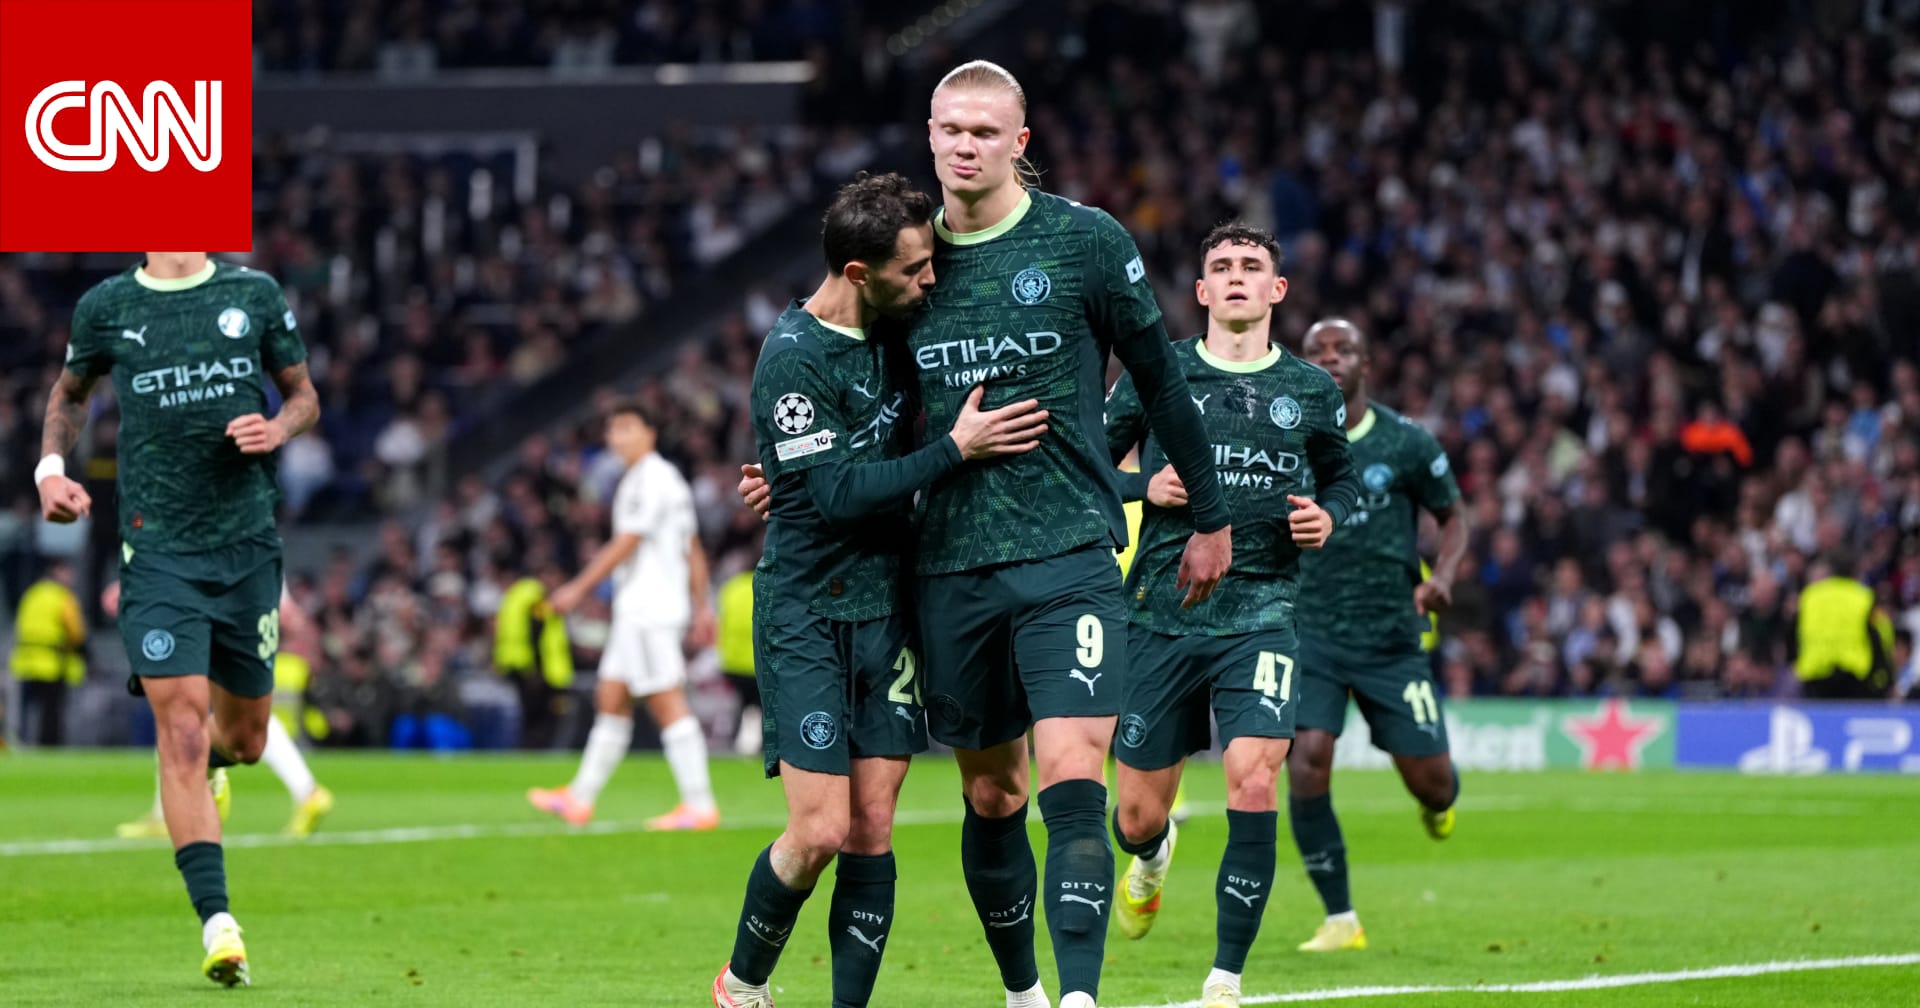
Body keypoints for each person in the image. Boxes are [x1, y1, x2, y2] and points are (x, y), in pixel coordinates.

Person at [739, 63, 1232, 1008]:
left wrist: (1210, 514)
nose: (966, 146)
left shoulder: (1085, 242)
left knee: (1074, 774)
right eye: (951, 130)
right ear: (930, 136)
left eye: (984, 131)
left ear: (1019, 141)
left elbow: (1162, 382)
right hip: (945, 568)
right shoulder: (903, 264)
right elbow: (842, 394)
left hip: (1069, 551)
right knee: (992, 795)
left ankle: (1078, 998)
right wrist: (791, 477)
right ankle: (1023, 991)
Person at [713, 172, 1049, 1008]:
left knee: (871, 827)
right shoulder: (794, 356)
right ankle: (742, 984)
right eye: (915, 268)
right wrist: (955, 450)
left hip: (889, 610)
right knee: (819, 830)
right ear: (860, 273)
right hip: (807, 611)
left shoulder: (899, 329)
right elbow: (834, 496)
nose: (931, 279)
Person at [37, 250, 321, 987]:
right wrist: (50, 470)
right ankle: (219, 925)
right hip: (157, 549)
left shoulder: (252, 293)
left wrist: (278, 429)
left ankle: (218, 769)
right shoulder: (107, 306)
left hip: (247, 547)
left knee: (246, 740)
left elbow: (304, 396)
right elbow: (70, 394)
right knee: (183, 731)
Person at [1105, 223, 1360, 1008]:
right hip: (1161, 615)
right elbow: (1083, 464)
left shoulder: (1312, 390)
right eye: (1222, 266)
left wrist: (1329, 515)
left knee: (1253, 778)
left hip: (1263, 612)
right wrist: (1142, 487)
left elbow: (1343, 478)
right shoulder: (1159, 372)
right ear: (1203, 291)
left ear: (1277, 289)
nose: (1238, 275)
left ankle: (1225, 980)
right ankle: (1152, 855)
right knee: (1136, 816)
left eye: (1252, 265)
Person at [1287, 317, 1470, 953]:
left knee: (1434, 784)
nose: (1331, 358)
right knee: (1307, 762)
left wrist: (1444, 575)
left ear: (1366, 364)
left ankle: (1437, 804)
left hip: (1392, 638)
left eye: (1344, 350)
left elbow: (1453, 514)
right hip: (1310, 633)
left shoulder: (1406, 442)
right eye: (1317, 351)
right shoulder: (1287, 436)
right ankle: (1341, 918)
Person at [528, 401, 720, 830]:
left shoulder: (651, 479)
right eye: (613, 429)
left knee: (666, 699)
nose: (618, 437)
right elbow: (691, 546)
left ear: (650, 433)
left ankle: (699, 804)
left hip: (650, 609)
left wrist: (577, 588)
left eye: (628, 427)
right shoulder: (655, 479)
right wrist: (702, 605)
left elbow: (627, 541)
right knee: (611, 697)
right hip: (638, 609)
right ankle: (579, 798)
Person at [113, 581, 336, 838]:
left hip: (211, 606)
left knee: (184, 705)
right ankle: (168, 810)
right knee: (192, 709)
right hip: (244, 604)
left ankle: (175, 809)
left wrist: (137, 583)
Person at [1793, 548, 1895, 700]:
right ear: (1854, 572)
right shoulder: (1864, 596)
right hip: (1854, 676)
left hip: (1815, 676)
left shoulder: (1809, 596)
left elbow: (1794, 633)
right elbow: (1882, 633)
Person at [9, 557, 85, 745]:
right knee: (51, 711)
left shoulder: (32, 593)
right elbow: (76, 632)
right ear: (58, 572)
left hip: (25, 660)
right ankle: (48, 745)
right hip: (52, 662)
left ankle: (20, 742)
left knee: (25, 709)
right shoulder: (62, 596)